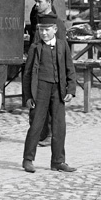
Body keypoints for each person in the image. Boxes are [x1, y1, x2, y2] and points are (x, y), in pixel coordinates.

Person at [21, 15, 76, 173]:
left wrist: (70, 90)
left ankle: (58, 161)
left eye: (47, 30)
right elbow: (27, 74)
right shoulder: (35, 48)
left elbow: (70, 69)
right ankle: (28, 159)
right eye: (41, 30)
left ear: (55, 29)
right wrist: (28, 97)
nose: (44, 33)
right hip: (40, 90)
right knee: (36, 124)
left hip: (58, 90)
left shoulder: (62, 45)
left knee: (59, 126)